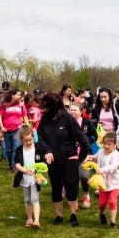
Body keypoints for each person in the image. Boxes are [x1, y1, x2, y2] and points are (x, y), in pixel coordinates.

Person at [38, 92, 90, 226]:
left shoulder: (67, 118)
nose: (44, 109)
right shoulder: (44, 119)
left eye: (46, 107)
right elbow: (40, 138)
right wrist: (47, 150)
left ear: (54, 106)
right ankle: (58, 216)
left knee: (71, 184)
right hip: (52, 158)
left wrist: (85, 155)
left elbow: (81, 137)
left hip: (69, 156)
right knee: (56, 187)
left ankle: (73, 214)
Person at [13, 126, 48, 229]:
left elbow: (43, 165)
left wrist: (38, 174)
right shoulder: (19, 150)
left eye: (30, 140)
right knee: (27, 199)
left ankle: (36, 220)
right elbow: (17, 164)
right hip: (24, 178)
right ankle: (29, 218)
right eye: (25, 141)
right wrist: (24, 170)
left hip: (35, 178)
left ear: (33, 137)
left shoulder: (38, 148)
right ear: (21, 140)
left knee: (34, 198)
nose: (28, 142)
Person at [86, 132, 119, 228]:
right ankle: (102, 214)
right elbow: (94, 157)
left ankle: (113, 222)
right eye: (104, 144)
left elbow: (113, 167)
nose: (106, 146)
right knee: (102, 203)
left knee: (112, 201)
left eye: (109, 144)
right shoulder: (100, 152)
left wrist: (100, 170)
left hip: (114, 183)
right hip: (103, 184)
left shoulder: (116, 155)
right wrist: (90, 158)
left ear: (114, 145)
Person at [68, 103, 96, 209]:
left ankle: (86, 194)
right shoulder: (67, 123)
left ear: (81, 111)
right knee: (71, 178)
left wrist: (84, 140)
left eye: (75, 110)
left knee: (84, 176)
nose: (72, 112)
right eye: (71, 110)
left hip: (84, 155)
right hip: (70, 155)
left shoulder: (87, 123)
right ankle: (72, 198)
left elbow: (94, 136)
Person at [0, 89, 29, 172]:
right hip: (6, 130)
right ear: (12, 95)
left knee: (16, 148)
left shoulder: (21, 105)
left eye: (21, 95)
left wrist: (28, 126)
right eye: (18, 95)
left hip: (17, 129)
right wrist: (1, 126)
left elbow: (25, 115)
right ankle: (11, 164)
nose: (20, 97)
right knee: (8, 149)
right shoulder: (5, 105)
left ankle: (14, 165)